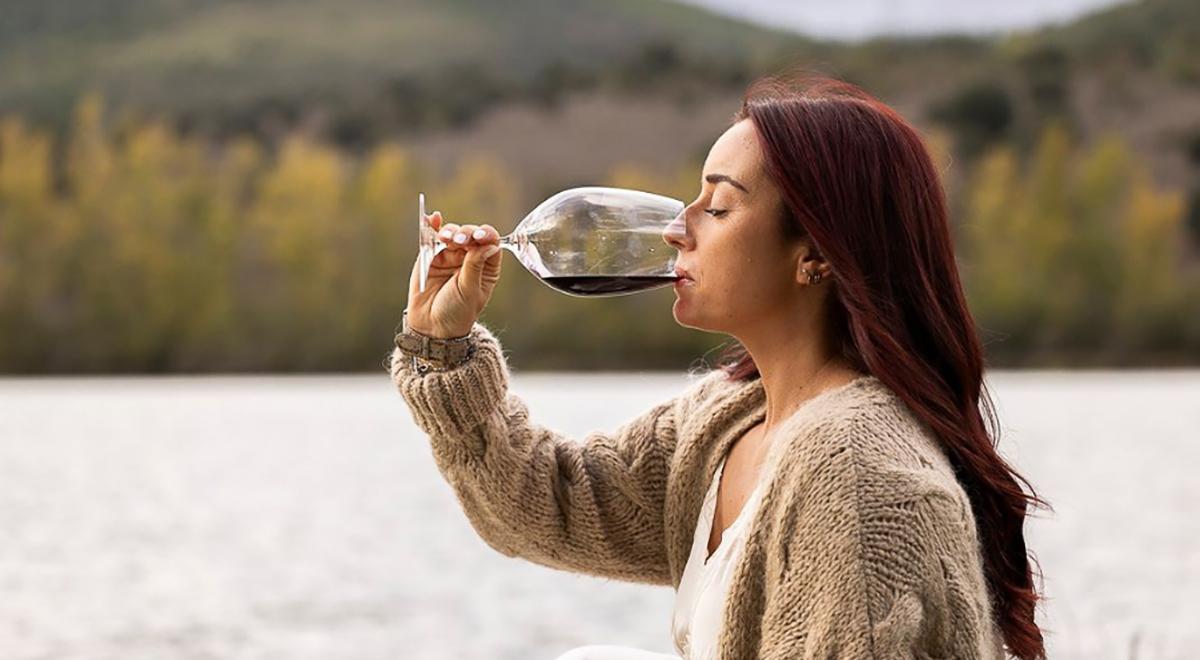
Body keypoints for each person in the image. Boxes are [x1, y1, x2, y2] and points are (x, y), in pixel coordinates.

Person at [388, 74, 1047, 659]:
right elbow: (546, 503)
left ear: (815, 254)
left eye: (720, 206)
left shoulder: (853, 469)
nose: (678, 228)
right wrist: (442, 345)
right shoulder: (727, 421)